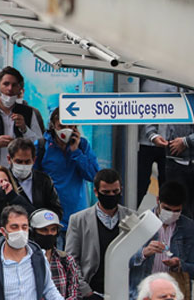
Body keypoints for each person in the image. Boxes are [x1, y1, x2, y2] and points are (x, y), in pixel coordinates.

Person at [0, 205, 65, 300]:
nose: (20, 231)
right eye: (14, 227)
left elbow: (49, 289)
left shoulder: (38, 256)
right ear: (3, 232)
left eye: (24, 227)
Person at [66, 168, 136, 299]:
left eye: (115, 191)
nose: (111, 195)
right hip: (92, 292)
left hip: (125, 292)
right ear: (96, 192)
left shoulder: (132, 217)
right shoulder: (78, 220)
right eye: (106, 192)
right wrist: (86, 291)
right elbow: (71, 261)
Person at [37, 107, 100, 237]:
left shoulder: (82, 145)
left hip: (77, 216)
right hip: (52, 216)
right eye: (61, 126)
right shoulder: (42, 146)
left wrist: (76, 151)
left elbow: (94, 176)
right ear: (53, 125)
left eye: (70, 126)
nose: (66, 129)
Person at [129, 181, 194, 299]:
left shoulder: (189, 228)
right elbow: (123, 260)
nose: (171, 214)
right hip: (142, 292)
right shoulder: (141, 223)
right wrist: (144, 253)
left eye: (176, 211)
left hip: (174, 293)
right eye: (167, 209)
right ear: (158, 200)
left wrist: (179, 265)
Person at [137, 78, 176, 206]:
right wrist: (152, 135)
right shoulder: (145, 80)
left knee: (168, 187)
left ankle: (168, 222)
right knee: (140, 184)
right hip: (144, 141)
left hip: (171, 143)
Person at [30, 209, 82, 300]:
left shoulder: (66, 260)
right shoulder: (25, 260)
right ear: (33, 232)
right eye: (44, 230)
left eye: (53, 230)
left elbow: (74, 292)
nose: (49, 234)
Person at [149, 111, 194, 216]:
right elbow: (154, 108)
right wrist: (152, 135)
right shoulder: (172, 94)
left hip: (182, 158)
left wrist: (186, 141)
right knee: (176, 209)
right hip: (174, 161)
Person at [8, 138, 64, 217]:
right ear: (9, 159)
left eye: (27, 161)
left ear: (34, 160)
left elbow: (57, 210)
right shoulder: (4, 180)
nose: (23, 165)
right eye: (19, 161)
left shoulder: (44, 180)